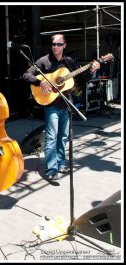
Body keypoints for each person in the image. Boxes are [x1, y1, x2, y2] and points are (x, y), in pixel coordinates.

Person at [23, 33, 100, 183]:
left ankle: (60, 164)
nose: (55, 47)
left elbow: (81, 79)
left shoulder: (69, 62)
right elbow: (27, 74)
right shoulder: (44, 61)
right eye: (53, 44)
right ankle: (52, 170)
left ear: (64, 45)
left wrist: (92, 70)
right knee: (51, 137)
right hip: (51, 105)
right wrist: (41, 83)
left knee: (63, 137)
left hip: (66, 104)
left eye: (59, 44)